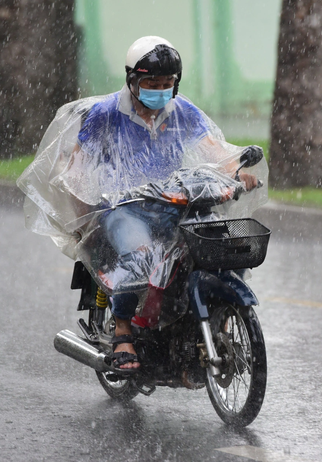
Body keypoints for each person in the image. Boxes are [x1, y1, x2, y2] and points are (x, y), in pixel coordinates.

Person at [67, 36, 262, 371]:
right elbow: (78, 169)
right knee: (138, 255)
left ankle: (218, 318)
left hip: (175, 202)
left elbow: (213, 148)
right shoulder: (105, 115)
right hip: (122, 207)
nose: (160, 90)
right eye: (151, 83)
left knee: (226, 245)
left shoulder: (182, 111)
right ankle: (123, 330)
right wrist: (82, 220)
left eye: (167, 83)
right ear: (132, 81)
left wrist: (236, 171)